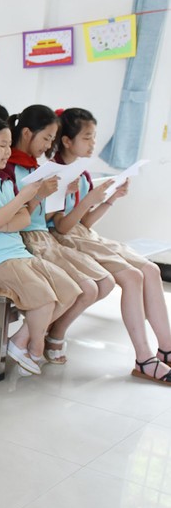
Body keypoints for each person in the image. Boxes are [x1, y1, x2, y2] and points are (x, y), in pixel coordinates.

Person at [0, 116, 81, 375]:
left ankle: (18, 341)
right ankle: (34, 347)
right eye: (2, 145)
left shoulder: (3, 179)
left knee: (70, 291)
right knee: (44, 300)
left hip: (16, 253)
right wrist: (20, 200)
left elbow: (20, 219)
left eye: (9, 145)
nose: (8, 152)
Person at [51, 108, 171, 384]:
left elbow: (87, 221)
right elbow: (61, 227)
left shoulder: (81, 174)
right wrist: (88, 198)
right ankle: (144, 358)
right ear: (67, 141)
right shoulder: (57, 174)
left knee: (150, 269)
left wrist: (110, 199)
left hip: (85, 235)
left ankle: (166, 349)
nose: (93, 143)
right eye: (88, 137)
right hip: (65, 239)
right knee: (132, 276)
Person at [8, 104, 114, 368]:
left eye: (51, 140)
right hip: (26, 241)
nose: (48, 146)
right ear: (26, 133)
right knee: (85, 287)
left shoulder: (40, 169)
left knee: (96, 285)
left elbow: (42, 220)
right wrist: (41, 197)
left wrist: (60, 196)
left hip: (44, 236)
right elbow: (15, 219)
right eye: (46, 138)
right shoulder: (12, 170)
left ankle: (36, 336)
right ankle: (33, 338)